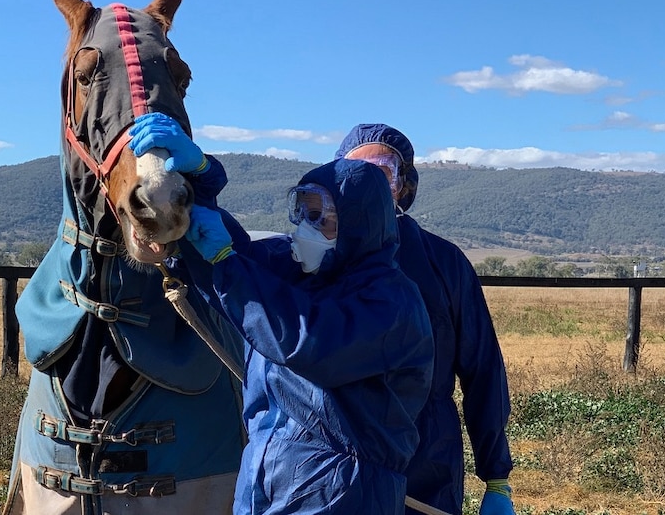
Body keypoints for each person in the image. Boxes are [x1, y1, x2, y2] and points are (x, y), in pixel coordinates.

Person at [177, 156, 435, 515]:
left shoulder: (391, 302)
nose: (305, 228)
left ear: (358, 223)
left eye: (320, 218)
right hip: (267, 480)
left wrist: (226, 263)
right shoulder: (305, 274)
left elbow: (306, 341)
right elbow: (246, 265)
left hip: (342, 492)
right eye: (303, 213)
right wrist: (196, 188)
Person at [335, 123, 516, 515]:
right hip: (333, 459)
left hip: (426, 457)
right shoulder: (310, 260)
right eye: (354, 173)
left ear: (403, 184)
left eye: (381, 171)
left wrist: (497, 477)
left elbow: (482, 368)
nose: (366, 185)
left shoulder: (444, 263)